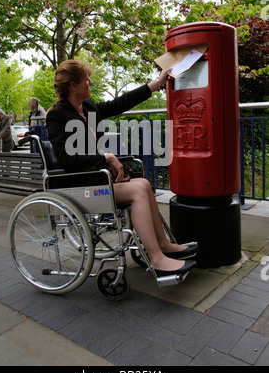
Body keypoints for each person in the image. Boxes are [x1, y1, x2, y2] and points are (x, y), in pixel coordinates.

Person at [46, 60, 197, 278]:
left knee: (144, 184)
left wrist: (157, 83)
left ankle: (163, 244)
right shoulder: (57, 115)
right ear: (73, 86)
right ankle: (156, 259)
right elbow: (65, 159)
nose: (90, 82)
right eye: (86, 79)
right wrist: (105, 157)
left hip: (96, 178)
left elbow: (121, 103)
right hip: (78, 183)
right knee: (137, 191)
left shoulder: (88, 108)